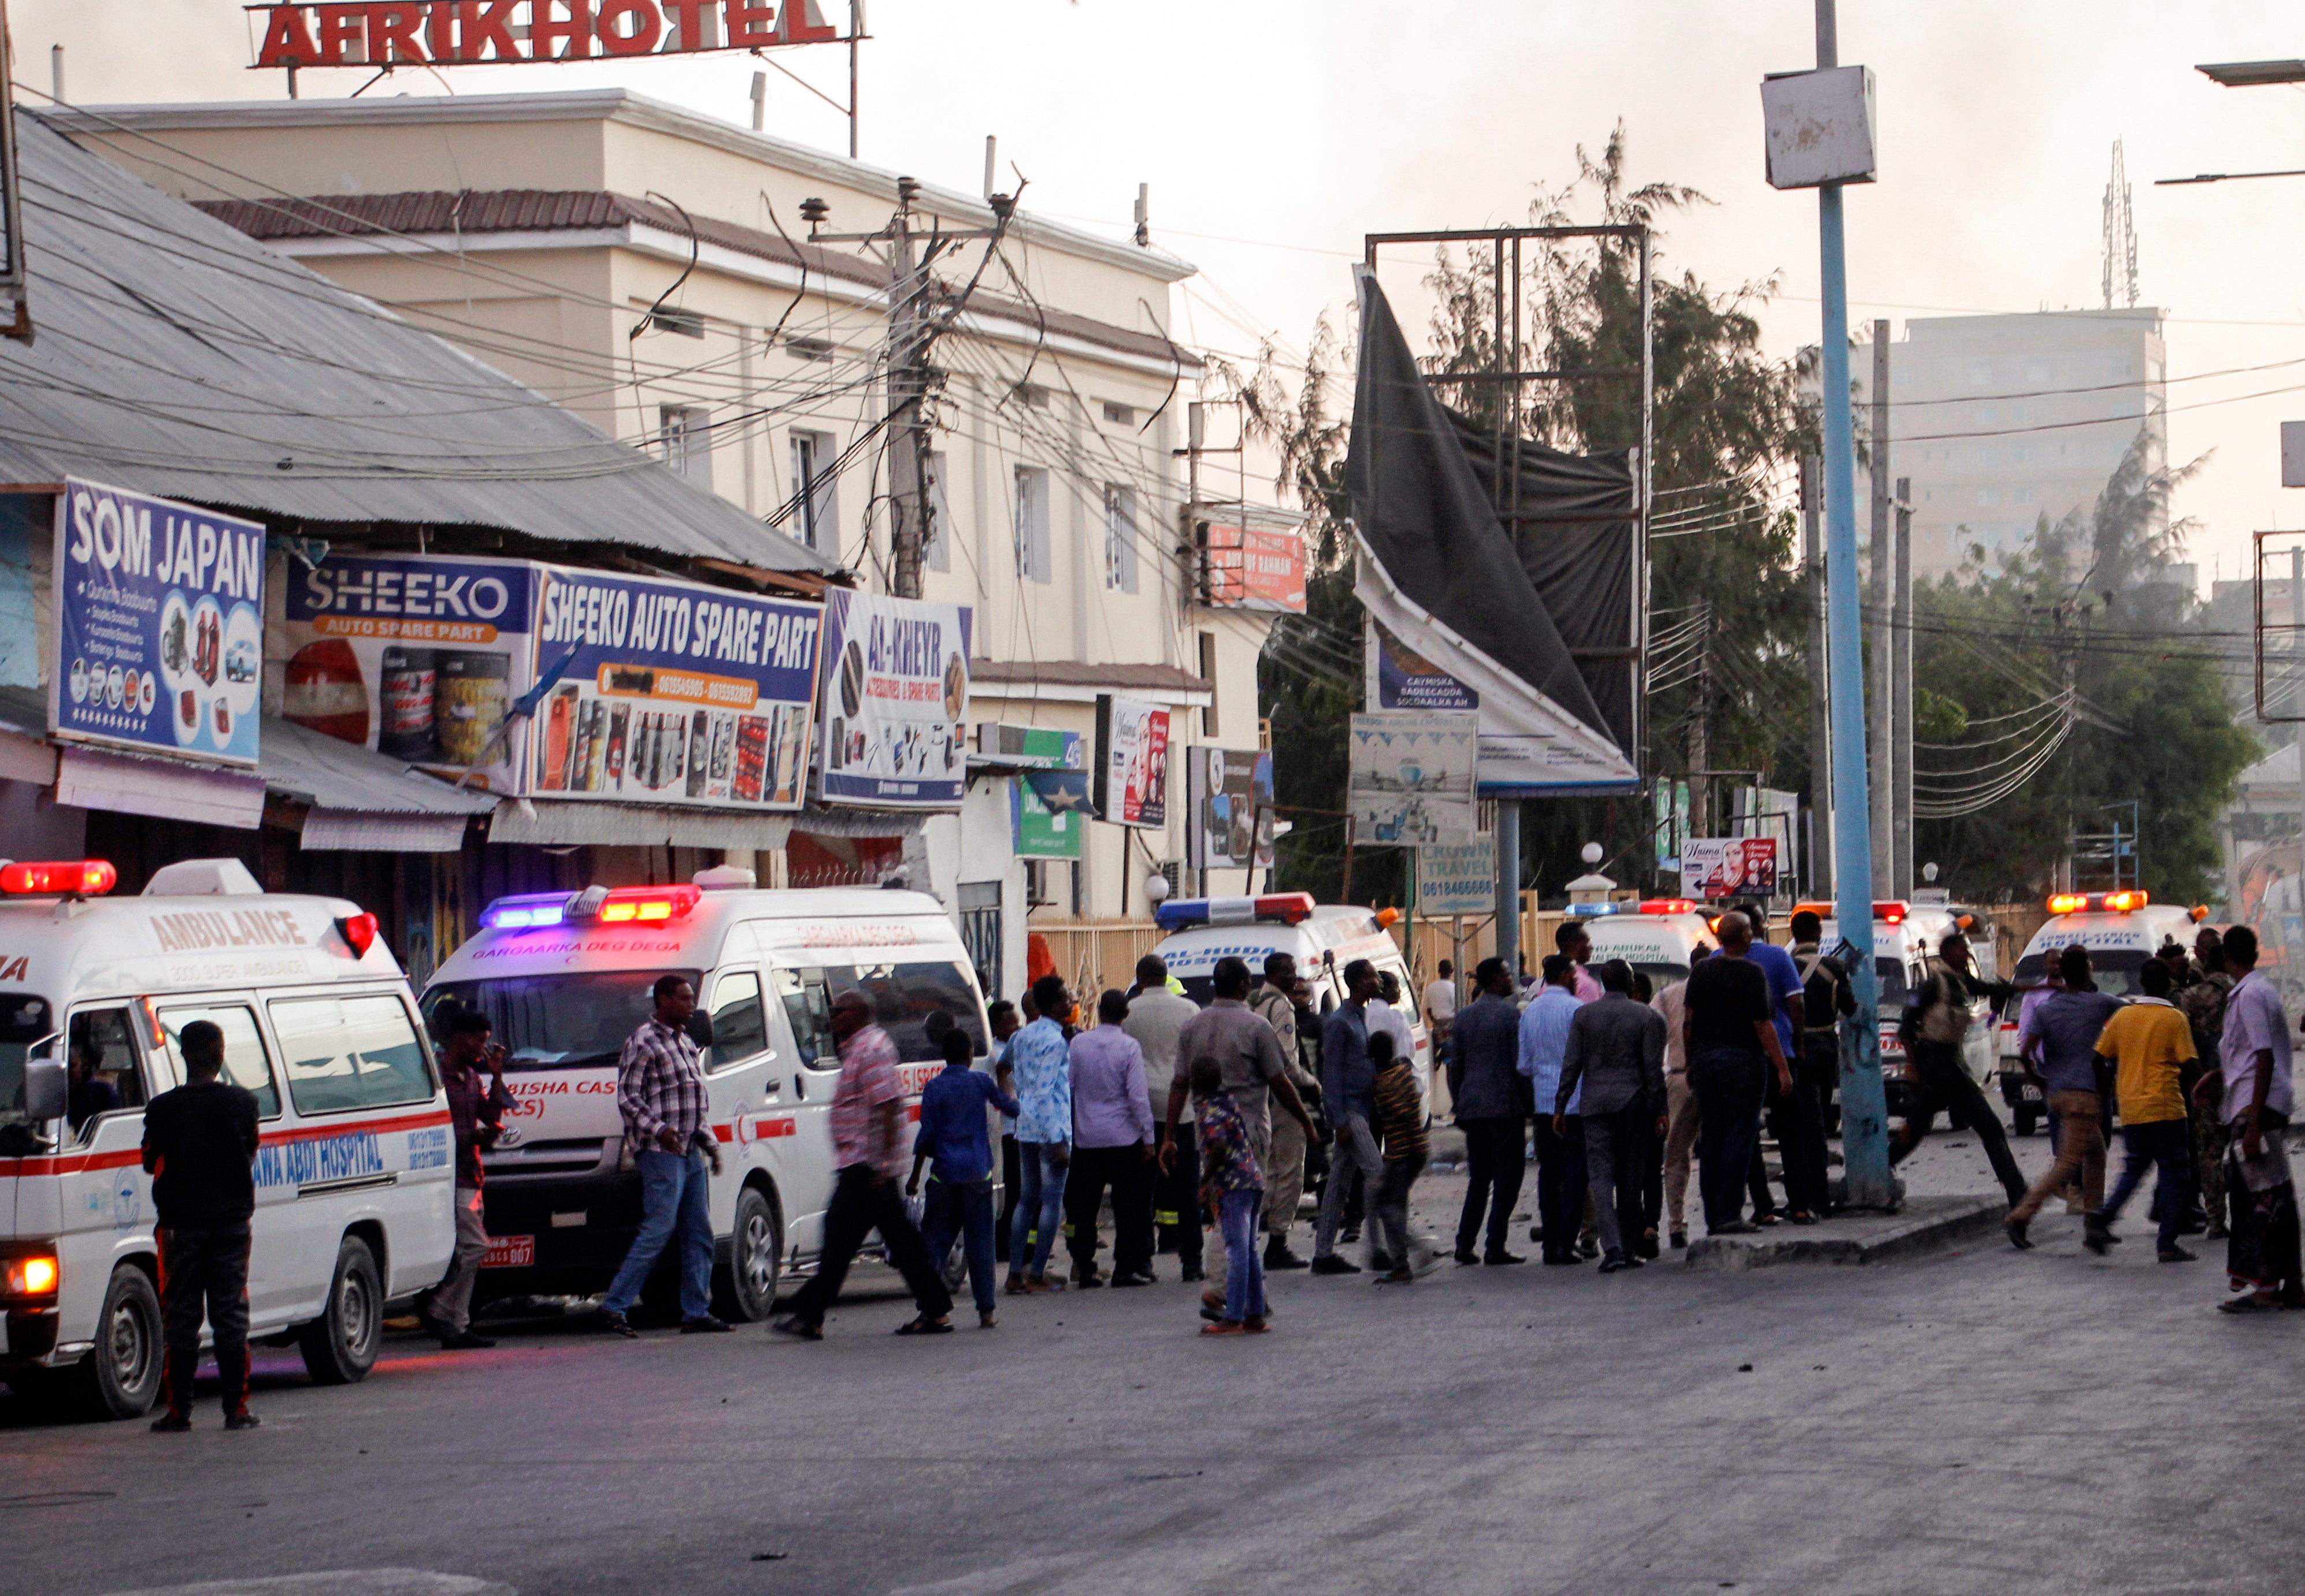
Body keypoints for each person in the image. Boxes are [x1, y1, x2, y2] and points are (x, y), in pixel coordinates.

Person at [774, 992, 957, 1338]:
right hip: (866, 1165)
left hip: (867, 1165)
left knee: (839, 1240)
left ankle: (810, 1314)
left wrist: (884, 1164)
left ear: (856, 1014)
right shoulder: (859, 1048)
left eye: (838, 1012)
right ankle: (936, 1309)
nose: (832, 1018)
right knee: (902, 1243)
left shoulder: (870, 1050)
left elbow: (888, 1107)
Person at [1163, 957, 1317, 1308]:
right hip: (1249, 1133)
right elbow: (1280, 1082)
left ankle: (1254, 1297)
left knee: (1234, 1214)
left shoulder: (1193, 1026)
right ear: (1245, 986)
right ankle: (1219, 1288)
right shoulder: (1256, 1027)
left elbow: (1179, 1084)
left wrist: (1170, 1136)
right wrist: (1306, 1122)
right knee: (1235, 1217)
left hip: (1209, 1133)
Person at [142, 1019, 261, 1432]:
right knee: (230, 1315)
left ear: (183, 1055)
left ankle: (180, 1412)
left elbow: (149, 1162)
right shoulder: (244, 1104)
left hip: (179, 1227)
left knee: (180, 1319)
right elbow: (250, 1151)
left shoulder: (161, 1109)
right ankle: (237, 1411)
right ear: (221, 1054)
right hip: (231, 1225)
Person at [598, 975, 728, 1338]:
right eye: (685, 999)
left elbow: (693, 1103)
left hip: (688, 1151)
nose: (692, 1006)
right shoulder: (643, 1042)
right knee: (659, 1229)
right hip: (659, 1152)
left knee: (699, 1232)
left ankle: (696, 1311)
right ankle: (614, 1306)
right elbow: (628, 1097)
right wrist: (659, 1130)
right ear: (664, 1001)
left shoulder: (686, 1042)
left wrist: (711, 1146)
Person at [1889, 932, 2028, 1207]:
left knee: (1917, 1129)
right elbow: (1906, 1026)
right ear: (1949, 953)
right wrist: (1913, 1067)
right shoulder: (1933, 985)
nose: (1967, 955)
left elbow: (1992, 988)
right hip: (1936, 1066)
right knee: (1989, 1127)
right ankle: (2017, 1191)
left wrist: (2037, 988)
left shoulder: (1962, 984)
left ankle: (1878, 1168)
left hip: (1950, 1063)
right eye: (1963, 950)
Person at [2206, 926, 2300, 1312]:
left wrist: (2255, 1121)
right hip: (2253, 1101)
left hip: (2254, 1107)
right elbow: (2248, 1054)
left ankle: (2266, 1286)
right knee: (2274, 1196)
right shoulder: (2258, 991)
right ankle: (2289, 1284)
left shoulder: (2249, 996)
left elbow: (2262, 1055)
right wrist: (2217, 1079)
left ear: (2228, 959)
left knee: (2263, 1201)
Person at [1682, 912, 1792, 1237]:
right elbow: (1763, 1024)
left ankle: (1715, 1216)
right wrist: (1783, 1068)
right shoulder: (1752, 973)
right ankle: (1730, 1213)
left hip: (1706, 1062)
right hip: (1743, 1063)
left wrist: (1691, 1063)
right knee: (1739, 1137)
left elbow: (1689, 1021)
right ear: (1745, 937)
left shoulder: (1701, 971)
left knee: (1713, 1136)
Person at [2004, 946, 2121, 1249]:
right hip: (2083, 1096)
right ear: (2087, 971)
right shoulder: (2099, 1004)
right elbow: (2132, 1012)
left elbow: (2026, 1050)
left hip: (2057, 1093)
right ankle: (2021, 1216)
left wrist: (2036, 1079)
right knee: (2067, 1163)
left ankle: (2094, 1222)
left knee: (2096, 1155)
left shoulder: (2047, 1009)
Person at [1557, 959, 1668, 1272]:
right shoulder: (1647, 1017)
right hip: (1633, 1104)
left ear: (1604, 983)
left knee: (1601, 1177)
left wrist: (1561, 1106)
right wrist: (1660, 1109)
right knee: (1631, 1177)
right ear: (1632, 984)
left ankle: (1613, 1249)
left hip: (1594, 1105)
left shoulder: (1584, 1015)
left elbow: (1572, 1064)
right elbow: (1652, 1071)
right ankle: (1629, 1248)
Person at [2088, 957, 2198, 1261]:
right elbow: (2190, 1064)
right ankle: (2167, 1243)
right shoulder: (2174, 1019)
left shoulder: (2123, 1017)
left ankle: (2103, 1217)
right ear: (2168, 985)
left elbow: (2098, 1057)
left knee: (2135, 1167)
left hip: (2132, 1107)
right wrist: (2206, 1092)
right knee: (2176, 1174)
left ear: (2142, 983)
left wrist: (2106, 1092)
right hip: (2166, 1106)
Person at [909, 1029, 1018, 1329]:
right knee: (981, 1244)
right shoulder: (981, 1082)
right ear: (971, 1056)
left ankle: (930, 1308)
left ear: (944, 1056)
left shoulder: (933, 1089)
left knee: (935, 1244)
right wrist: (1006, 1082)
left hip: (943, 1177)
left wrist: (915, 1177)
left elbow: (927, 1136)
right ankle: (987, 1311)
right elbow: (1012, 1107)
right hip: (978, 1175)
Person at [418, 1009, 514, 1350]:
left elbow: (489, 1114)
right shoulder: (437, 1076)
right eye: (477, 1040)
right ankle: (440, 1309)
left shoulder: (472, 1077)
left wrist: (497, 1076)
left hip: (470, 1173)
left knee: (467, 1251)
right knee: (475, 1246)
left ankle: (456, 1326)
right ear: (457, 1036)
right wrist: (475, 1138)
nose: (481, 1048)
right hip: (448, 1175)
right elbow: (440, 1130)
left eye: (485, 1042)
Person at [1066, 990, 1157, 1288]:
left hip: (1086, 1138)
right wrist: (1148, 1137)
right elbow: (1138, 1097)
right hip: (1123, 1138)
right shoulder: (1129, 1047)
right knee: (1127, 1206)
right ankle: (1125, 1268)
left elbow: (1070, 1087)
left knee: (1084, 1207)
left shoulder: (1079, 1043)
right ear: (1125, 1015)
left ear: (1100, 1010)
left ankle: (1085, 1267)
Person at [1123, 956, 1203, 1279]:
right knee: (1188, 1189)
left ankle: (1142, 1261)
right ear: (1166, 976)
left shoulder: (1128, 1012)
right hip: (1181, 1108)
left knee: (1142, 1191)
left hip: (1141, 1111)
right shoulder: (1189, 1011)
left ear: (1140, 978)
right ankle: (1192, 1263)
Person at [1449, 956, 1531, 1265]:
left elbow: (1457, 1066)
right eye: (1509, 974)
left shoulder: (1465, 1016)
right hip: (1504, 1108)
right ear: (1497, 979)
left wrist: (1460, 1103)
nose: (1513, 979)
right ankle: (1495, 1244)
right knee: (1509, 1178)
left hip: (1473, 1108)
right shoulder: (1511, 1016)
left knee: (1479, 1178)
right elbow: (1518, 1065)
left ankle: (1464, 1244)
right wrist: (1530, 1106)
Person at [1313, 959, 1387, 1275]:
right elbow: (1330, 1074)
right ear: (1357, 983)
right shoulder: (1340, 1023)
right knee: (1377, 1172)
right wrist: (1339, 1119)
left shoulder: (1362, 1018)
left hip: (1363, 1107)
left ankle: (1323, 1254)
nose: (1377, 981)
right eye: (1370, 976)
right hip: (1350, 1111)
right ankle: (1381, 1248)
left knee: (1339, 1183)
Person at [1003, 974, 1075, 1294]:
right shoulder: (1056, 1041)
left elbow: (1003, 1067)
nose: (1071, 1001)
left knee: (1026, 1199)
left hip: (1025, 1125)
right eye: (1066, 998)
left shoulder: (1021, 1037)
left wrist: (1014, 1099)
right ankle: (1036, 1273)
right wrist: (1057, 1139)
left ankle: (1015, 1272)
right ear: (1053, 1004)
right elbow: (1047, 1091)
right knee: (1052, 1203)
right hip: (1051, 1126)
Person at [1192, 1056, 1268, 1335]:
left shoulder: (1209, 1109)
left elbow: (1220, 1145)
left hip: (1235, 1186)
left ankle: (1233, 1317)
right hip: (1252, 1180)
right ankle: (1255, 1315)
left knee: (1236, 1252)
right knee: (1248, 1251)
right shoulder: (1228, 1101)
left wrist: (1205, 1180)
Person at [1248, 952, 1314, 1270]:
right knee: (1290, 1170)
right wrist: (1312, 1084)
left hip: (1260, 1098)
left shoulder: (1256, 1003)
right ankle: (1278, 1241)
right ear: (1276, 974)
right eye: (1289, 972)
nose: (1295, 977)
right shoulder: (1281, 1006)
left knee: (1270, 1168)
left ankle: (1263, 1231)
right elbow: (1287, 1061)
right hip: (1282, 1096)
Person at [1518, 955, 1585, 1263]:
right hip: (1575, 1105)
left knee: (1549, 1174)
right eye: (1573, 974)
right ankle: (1566, 1241)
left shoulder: (1530, 1012)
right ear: (1562, 975)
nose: (1576, 979)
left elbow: (1525, 1065)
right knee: (1575, 1176)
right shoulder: (1577, 1010)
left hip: (1544, 1105)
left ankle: (1550, 1241)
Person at [1789, 910, 1854, 1211]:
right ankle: (1817, 1191)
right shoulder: (1835, 967)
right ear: (1817, 934)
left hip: (1797, 1051)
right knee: (1820, 1120)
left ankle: (1809, 1192)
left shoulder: (1786, 966)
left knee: (1801, 1124)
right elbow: (1850, 1008)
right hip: (1827, 1049)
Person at [2177, 938, 2237, 1239]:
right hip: (2242, 1081)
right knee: (2245, 1147)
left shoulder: (2194, 996)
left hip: (2207, 1081)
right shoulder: (2245, 991)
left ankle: (2216, 1219)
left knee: (2210, 1153)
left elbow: (2177, 1027)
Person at [1652, 947, 1709, 1250]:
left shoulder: (1666, 996)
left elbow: (1651, 1031)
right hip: (1714, 1078)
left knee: (1676, 1154)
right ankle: (1721, 1214)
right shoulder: (1725, 992)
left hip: (1678, 1077)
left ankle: (1677, 1224)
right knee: (1720, 1148)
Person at [1368, 1031, 1434, 1283]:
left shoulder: (1383, 1083)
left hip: (1402, 1152)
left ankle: (1415, 1254)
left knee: (1388, 1206)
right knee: (1396, 1205)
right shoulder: (1404, 1073)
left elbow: (1401, 1116)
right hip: (1414, 1150)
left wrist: (1396, 1156)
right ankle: (1402, 1262)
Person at [987, 999, 1023, 1264]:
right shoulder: (997, 1054)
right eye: (1011, 1021)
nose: (1017, 1025)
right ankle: (1002, 1244)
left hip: (1015, 1129)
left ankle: (1008, 1242)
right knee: (1010, 1190)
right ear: (996, 1025)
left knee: (1016, 1188)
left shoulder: (1009, 1049)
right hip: (1007, 1130)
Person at [66, 1039, 121, 1135]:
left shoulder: (102, 1093)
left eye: (71, 1066)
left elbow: (113, 1130)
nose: (66, 1072)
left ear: (85, 1065)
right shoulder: (52, 1094)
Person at [1369, 971, 1415, 1071]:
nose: (1399, 991)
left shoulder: (1364, 1014)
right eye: (1396, 987)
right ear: (1385, 990)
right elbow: (1406, 1051)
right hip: (1396, 1074)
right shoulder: (1396, 1016)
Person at [1556, 921, 1604, 1003]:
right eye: (1587, 942)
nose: (1591, 947)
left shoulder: (1546, 984)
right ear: (1575, 946)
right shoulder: (1587, 985)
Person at [1423, 960, 1459, 1057]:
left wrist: (1435, 1021)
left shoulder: (1431, 988)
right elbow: (1458, 1007)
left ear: (1439, 971)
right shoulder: (1454, 988)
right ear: (1452, 971)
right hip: (1451, 1026)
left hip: (1437, 1026)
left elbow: (1429, 1010)